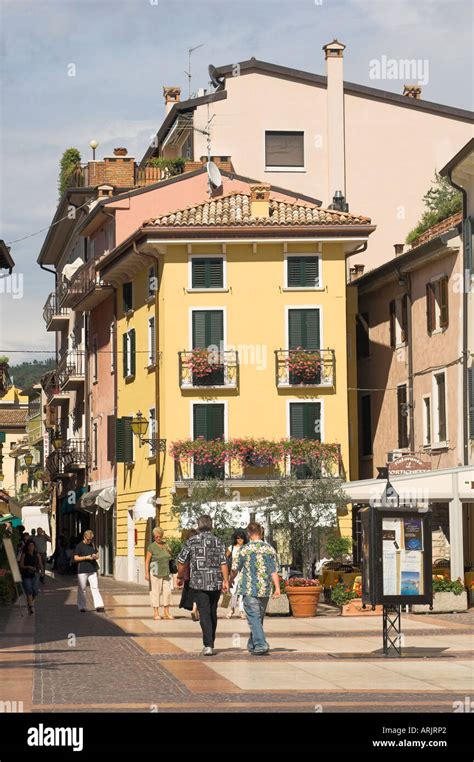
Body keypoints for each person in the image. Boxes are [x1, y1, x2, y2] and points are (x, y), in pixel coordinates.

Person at [177, 515, 228, 656]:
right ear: (211, 526)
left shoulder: (191, 541)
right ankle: (211, 641)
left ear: (198, 526)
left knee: (204, 612)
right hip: (216, 582)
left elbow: (182, 561)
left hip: (199, 583)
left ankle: (208, 645)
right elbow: (223, 563)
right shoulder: (218, 541)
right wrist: (226, 581)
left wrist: (180, 576)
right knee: (212, 612)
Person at [233, 521, 280, 655]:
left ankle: (260, 644)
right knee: (257, 618)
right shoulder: (269, 549)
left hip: (248, 589)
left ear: (249, 534)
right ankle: (252, 644)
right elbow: (274, 570)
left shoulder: (245, 549)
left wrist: (229, 580)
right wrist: (277, 587)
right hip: (264, 589)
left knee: (254, 618)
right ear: (261, 533)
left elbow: (236, 568)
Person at [145, 527, 174, 620]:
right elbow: (147, 561)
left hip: (166, 571)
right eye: (156, 536)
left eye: (159, 536)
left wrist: (170, 551)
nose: (158, 538)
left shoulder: (166, 545)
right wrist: (146, 573)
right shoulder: (151, 547)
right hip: (155, 571)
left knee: (168, 592)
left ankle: (166, 612)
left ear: (162, 535)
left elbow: (170, 556)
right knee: (155, 592)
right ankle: (156, 612)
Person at [73, 530, 105, 612]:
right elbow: (76, 558)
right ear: (84, 537)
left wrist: (95, 556)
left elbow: (97, 555)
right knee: (82, 588)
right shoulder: (79, 546)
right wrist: (86, 557)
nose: (89, 541)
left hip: (92, 569)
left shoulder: (92, 545)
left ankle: (99, 606)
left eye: (90, 539)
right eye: (88, 539)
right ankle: (82, 606)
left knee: (95, 587)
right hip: (82, 570)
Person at [178, 528, 199, 621]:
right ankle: (195, 608)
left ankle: (194, 608)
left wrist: (180, 576)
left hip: (189, 573)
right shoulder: (201, 545)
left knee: (193, 591)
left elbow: (181, 561)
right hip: (200, 573)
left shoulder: (187, 546)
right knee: (198, 592)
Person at [226, 529, 248, 619]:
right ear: (235, 538)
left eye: (241, 538)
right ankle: (232, 609)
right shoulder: (231, 547)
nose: (240, 540)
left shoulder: (246, 547)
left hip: (244, 572)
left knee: (242, 592)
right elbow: (224, 559)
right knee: (232, 591)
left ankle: (241, 611)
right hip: (233, 571)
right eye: (238, 538)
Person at [19, 540, 43, 615]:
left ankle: (29, 602)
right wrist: (28, 567)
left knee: (35, 591)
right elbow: (21, 565)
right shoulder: (24, 554)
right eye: (29, 545)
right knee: (29, 590)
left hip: (35, 574)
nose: (31, 547)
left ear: (34, 546)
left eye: (32, 545)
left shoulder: (37, 554)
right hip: (26, 574)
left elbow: (40, 564)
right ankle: (30, 606)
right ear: (27, 546)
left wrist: (42, 572)